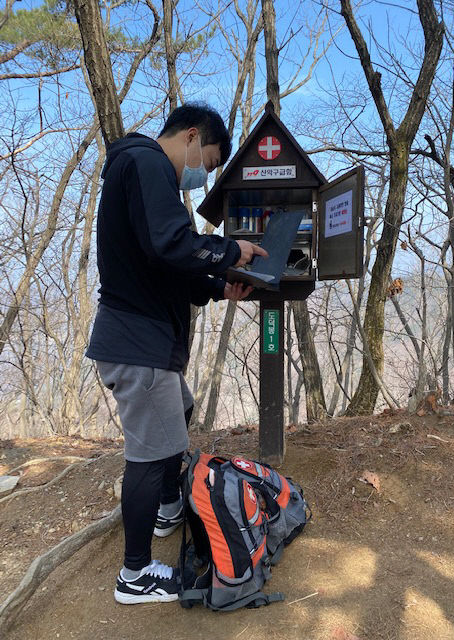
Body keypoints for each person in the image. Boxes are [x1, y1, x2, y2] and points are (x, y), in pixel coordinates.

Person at [85, 103, 267, 605]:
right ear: (191, 137)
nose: (201, 174)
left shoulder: (141, 172)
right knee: (149, 454)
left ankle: (168, 506)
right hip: (136, 340)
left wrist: (216, 285)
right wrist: (232, 251)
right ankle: (135, 575)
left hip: (145, 338)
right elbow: (171, 244)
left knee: (179, 412)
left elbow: (166, 263)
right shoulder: (146, 164)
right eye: (206, 162)